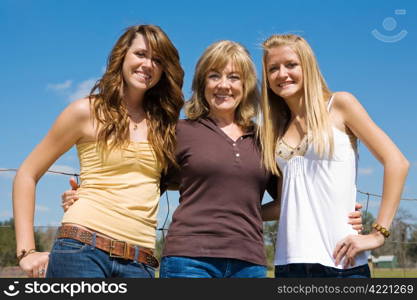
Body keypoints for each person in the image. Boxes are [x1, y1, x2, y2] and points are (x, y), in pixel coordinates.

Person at [62, 40, 363, 278]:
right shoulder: (179, 131)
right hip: (188, 262)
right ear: (202, 83)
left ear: (245, 87)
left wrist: (338, 209)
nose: (224, 85)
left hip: (249, 264)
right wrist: (88, 194)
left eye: (234, 77)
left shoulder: (265, 139)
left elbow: (287, 201)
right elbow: (142, 176)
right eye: (214, 75)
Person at [12, 24, 184, 278]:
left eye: (157, 60)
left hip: (141, 262)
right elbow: (27, 173)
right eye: (140, 54)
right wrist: (27, 251)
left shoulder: (167, 126)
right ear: (122, 56)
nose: (148, 64)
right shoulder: (86, 112)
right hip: (81, 249)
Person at [259, 34, 409, 277]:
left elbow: (396, 162)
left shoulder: (340, 105)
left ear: (307, 65)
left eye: (290, 64)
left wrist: (378, 233)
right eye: (273, 68)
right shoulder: (275, 131)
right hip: (289, 264)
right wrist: (231, 213)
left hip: (342, 262)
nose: (282, 74)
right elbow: (283, 204)